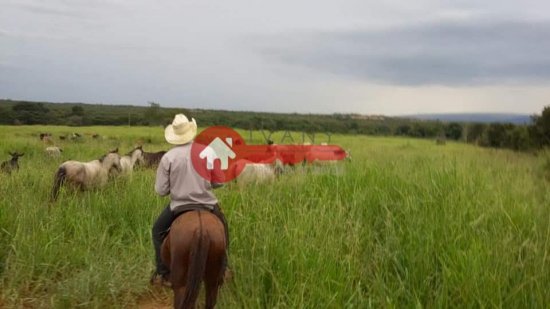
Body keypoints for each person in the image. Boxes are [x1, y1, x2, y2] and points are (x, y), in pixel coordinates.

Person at [151, 114, 228, 286]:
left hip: (178, 206)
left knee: (157, 231)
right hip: (207, 204)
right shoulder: (208, 152)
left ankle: (163, 273)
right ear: (191, 131)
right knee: (223, 229)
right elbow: (219, 182)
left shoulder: (168, 158)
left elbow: (161, 190)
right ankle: (223, 268)